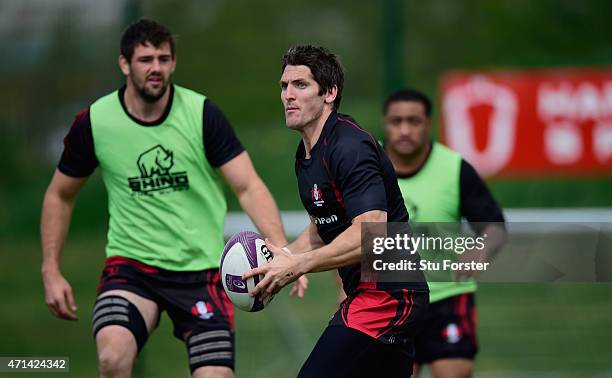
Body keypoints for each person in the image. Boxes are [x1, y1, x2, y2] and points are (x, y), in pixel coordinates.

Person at [41, 19, 306, 378]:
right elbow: (60, 194)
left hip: (201, 270)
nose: (156, 68)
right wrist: (51, 268)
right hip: (133, 267)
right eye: (145, 59)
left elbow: (249, 186)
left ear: (173, 63)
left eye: (163, 59)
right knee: (113, 357)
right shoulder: (96, 121)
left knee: (215, 376)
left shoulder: (201, 114)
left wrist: (279, 248)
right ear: (124, 64)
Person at [243, 45, 429, 378]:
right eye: (284, 86)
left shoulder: (349, 147)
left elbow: (370, 234)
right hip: (373, 296)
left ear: (330, 93)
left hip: (389, 296)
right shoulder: (307, 154)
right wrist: (283, 257)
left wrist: (300, 264)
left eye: (300, 85)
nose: (288, 95)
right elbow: (323, 227)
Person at [382, 89, 506, 378]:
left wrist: (482, 249)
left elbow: (494, 225)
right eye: (396, 121)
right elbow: (342, 229)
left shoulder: (454, 168)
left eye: (413, 121)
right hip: (391, 299)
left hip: (448, 296)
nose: (404, 130)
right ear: (384, 123)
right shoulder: (367, 166)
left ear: (428, 124)